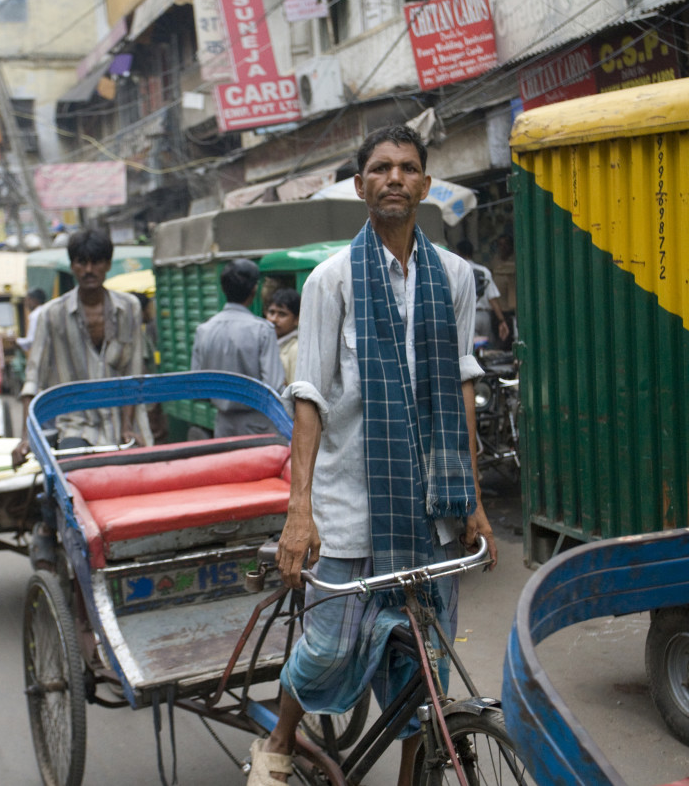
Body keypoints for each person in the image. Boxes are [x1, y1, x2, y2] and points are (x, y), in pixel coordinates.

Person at [247, 126, 497, 786]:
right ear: (361, 186)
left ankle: (418, 772)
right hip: (352, 505)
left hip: (433, 508)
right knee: (328, 647)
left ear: (424, 184)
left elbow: (461, 384)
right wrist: (299, 513)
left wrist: (471, 498)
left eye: (408, 167)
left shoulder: (455, 276)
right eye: (380, 167)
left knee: (426, 668)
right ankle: (277, 739)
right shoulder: (331, 281)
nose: (394, 177)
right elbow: (309, 398)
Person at [11, 229, 150, 467]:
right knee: (70, 482)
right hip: (76, 425)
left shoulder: (129, 308)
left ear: (107, 264)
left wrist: (128, 426)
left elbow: (133, 371)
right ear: (73, 265)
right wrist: (25, 438)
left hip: (124, 422)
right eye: (81, 262)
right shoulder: (52, 314)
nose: (88, 270)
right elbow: (34, 377)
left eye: (96, 262)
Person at [190, 258, 285, 437]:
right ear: (254, 289)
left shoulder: (204, 330)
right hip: (259, 427)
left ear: (223, 288)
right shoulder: (262, 330)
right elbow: (273, 387)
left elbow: (198, 388)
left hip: (223, 427)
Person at [454, 239, 510, 344]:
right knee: (486, 350)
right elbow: (493, 298)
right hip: (485, 317)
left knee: (470, 350)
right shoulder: (484, 271)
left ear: (458, 253)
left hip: (466, 316)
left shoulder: (456, 271)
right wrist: (502, 321)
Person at [264, 287, 300, 385]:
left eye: (282, 314)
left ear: (296, 319)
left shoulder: (296, 349)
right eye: (271, 312)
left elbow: (294, 391)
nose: (274, 319)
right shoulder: (266, 344)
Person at [489, 233, 516, 350]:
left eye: (506, 245)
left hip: (511, 311)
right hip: (497, 311)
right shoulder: (495, 260)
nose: (502, 248)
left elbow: (511, 268)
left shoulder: (515, 259)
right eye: (500, 245)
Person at [15, 287, 47, 354]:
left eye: (27, 300)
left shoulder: (35, 315)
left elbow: (31, 341)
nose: (26, 303)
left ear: (34, 300)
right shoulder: (46, 311)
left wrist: (16, 341)